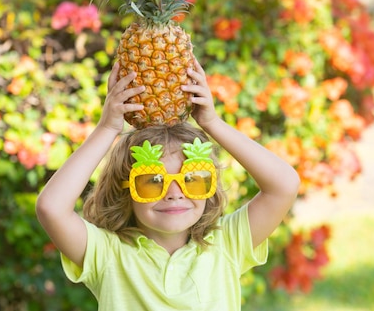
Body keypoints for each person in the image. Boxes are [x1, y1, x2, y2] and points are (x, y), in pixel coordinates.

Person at [35, 58, 301, 310]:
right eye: (153, 180)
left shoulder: (227, 244)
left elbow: (284, 185)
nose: (175, 194)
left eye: (193, 179)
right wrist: (107, 129)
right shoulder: (108, 255)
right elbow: (51, 208)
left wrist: (212, 123)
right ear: (124, 190)